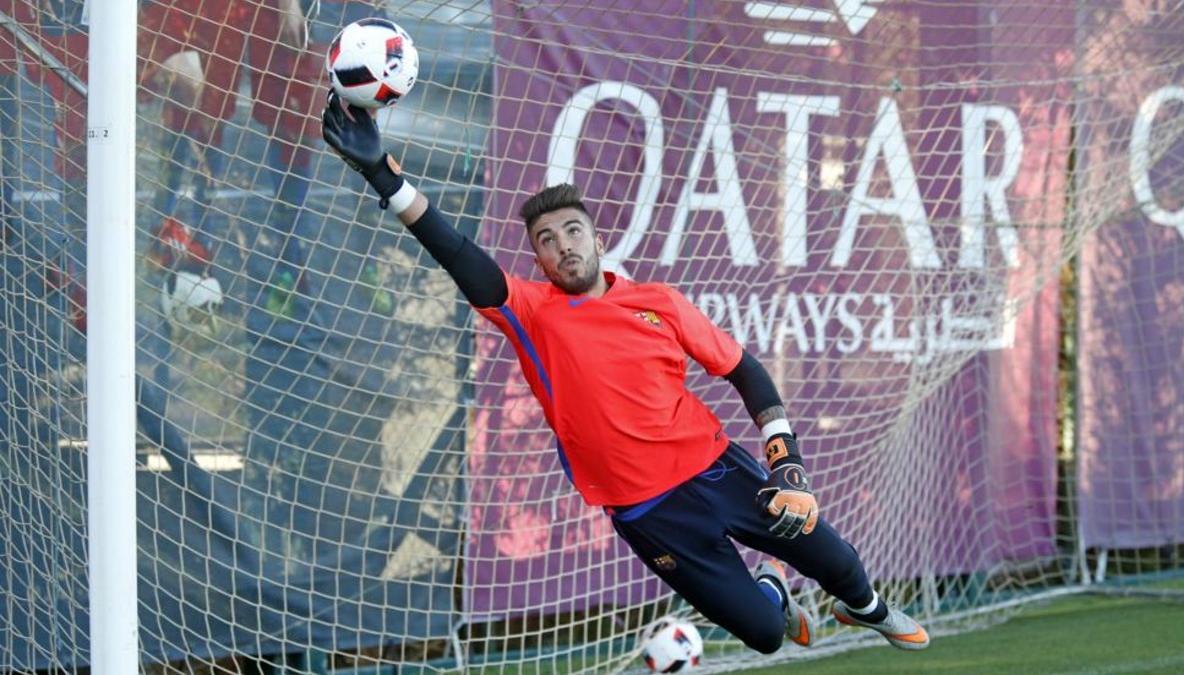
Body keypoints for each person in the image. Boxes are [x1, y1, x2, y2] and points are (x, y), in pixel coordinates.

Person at [320, 94, 931, 654]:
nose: (563, 245)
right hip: (650, 513)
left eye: (573, 231)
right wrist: (385, 177)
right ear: (536, 258)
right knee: (768, 636)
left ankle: (866, 610)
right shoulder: (531, 312)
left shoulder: (659, 302)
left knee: (840, 563)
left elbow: (746, 372)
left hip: (717, 468)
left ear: (597, 238)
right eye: (547, 240)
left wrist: (786, 462)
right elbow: (455, 251)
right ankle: (772, 588)